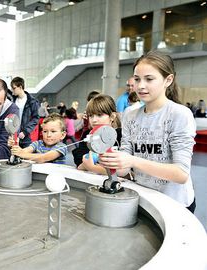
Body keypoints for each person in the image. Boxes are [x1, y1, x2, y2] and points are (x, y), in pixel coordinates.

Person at [100, 51, 196, 213]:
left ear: (168, 80)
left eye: (149, 79)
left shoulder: (179, 114)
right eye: (137, 79)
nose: (140, 85)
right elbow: (124, 169)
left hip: (175, 203)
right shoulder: (130, 114)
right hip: (143, 197)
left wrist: (132, 161)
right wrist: (112, 161)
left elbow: (181, 173)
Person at [72, 94, 121, 173]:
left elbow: (122, 171)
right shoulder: (87, 134)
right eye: (91, 116)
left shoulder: (120, 135)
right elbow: (80, 163)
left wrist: (92, 167)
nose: (94, 120)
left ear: (112, 116)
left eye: (99, 115)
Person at [10, 77, 39, 148]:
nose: (12, 90)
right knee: (12, 157)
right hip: (12, 135)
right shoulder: (11, 101)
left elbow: (35, 118)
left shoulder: (32, 101)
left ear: (20, 87)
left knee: (25, 156)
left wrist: (25, 132)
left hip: (25, 136)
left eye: (14, 88)